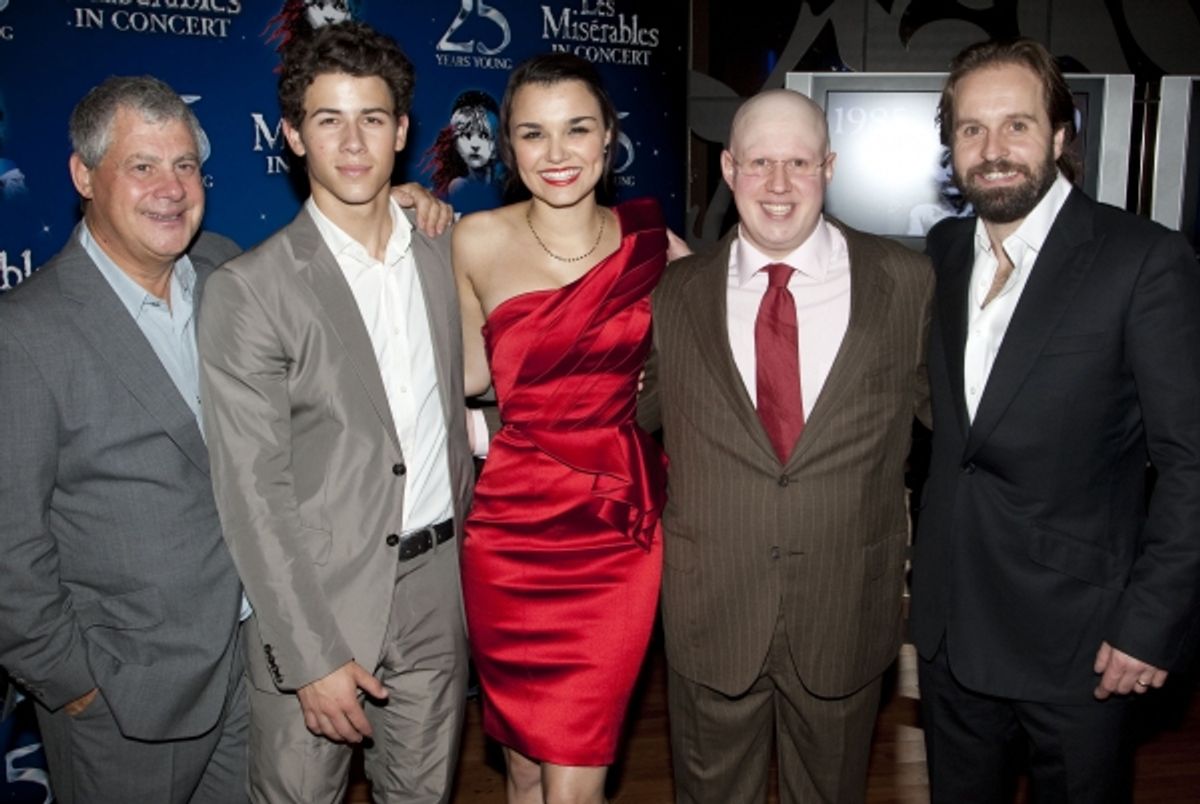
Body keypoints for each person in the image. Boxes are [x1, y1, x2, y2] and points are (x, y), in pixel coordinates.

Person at [909, 38, 1200, 802]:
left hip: (1082, 641)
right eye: (971, 129)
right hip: (951, 629)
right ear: (950, 147)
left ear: (1062, 136)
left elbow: (1190, 461)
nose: (993, 149)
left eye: (1017, 125)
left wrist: (1151, 622)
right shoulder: (939, 252)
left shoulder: (1144, 261)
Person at [197, 23, 472, 804]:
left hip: (436, 592)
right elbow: (252, 494)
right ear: (291, 136)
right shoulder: (250, 290)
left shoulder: (442, 252)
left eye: (373, 119)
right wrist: (310, 654)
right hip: (314, 601)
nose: (353, 144)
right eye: (328, 120)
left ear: (403, 131)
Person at [638, 88, 934, 803]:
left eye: (798, 162)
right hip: (713, 614)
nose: (778, 184)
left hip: (843, 612)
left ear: (828, 167)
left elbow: (960, 429)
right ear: (729, 168)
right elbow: (610, 409)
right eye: (760, 162)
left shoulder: (905, 284)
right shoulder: (673, 294)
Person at [0, 74, 247, 804]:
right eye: (142, 166)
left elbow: (326, 275)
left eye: (184, 165)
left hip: (249, 671)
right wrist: (71, 683)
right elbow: (9, 542)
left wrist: (396, 207)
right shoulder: (25, 331)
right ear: (84, 175)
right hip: (124, 700)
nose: (170, 188)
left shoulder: (225, 268)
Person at [453, 53, 668, 804]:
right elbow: (460, 377)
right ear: (508, 148)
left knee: (577, 765)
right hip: (510, 531)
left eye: (577, 129)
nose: (556, 154)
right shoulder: (472, 240)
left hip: (612, 533)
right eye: (532, 134)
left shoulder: (656, 248)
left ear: (609, 138)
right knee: (519, 760)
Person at [423, 89, 504, 199]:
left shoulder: (510, 188)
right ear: (456, 143)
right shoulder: (457, 187)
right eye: (466, 135)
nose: (475, 145)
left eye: (484, 135)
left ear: (496, 142)